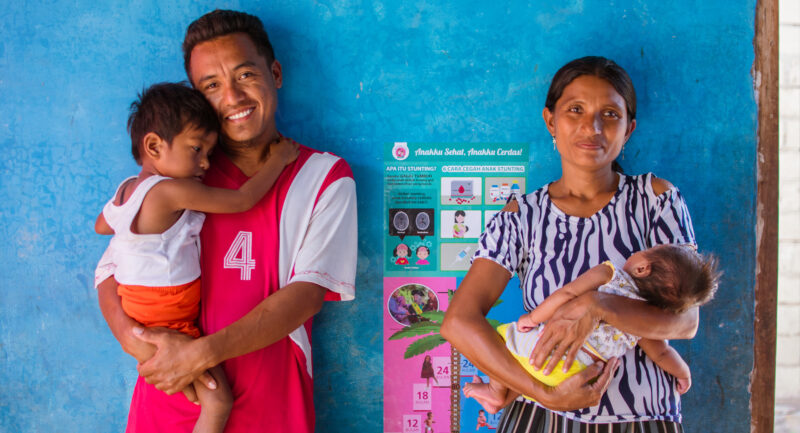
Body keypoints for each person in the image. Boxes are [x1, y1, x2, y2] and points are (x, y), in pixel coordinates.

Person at [95, 9, 357, 433]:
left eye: (245, 75)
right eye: (211, 86)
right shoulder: (181, 179)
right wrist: (130, 336)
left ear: (275, 73)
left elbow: (306, 295)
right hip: (170, 395)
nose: (232, 97)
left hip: (274, 405)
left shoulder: (323, 176)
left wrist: (199, 355)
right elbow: (110, 269)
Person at [442, 56, 699, 431]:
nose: (592, 126)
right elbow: (458, 322)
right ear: (551, 121)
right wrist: (542, 392)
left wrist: (598, 305)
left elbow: (687, 321)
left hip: (642, 418)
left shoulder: (655, 199)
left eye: (610, 114)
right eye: (575, 109)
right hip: (542, 417)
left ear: (629, 130)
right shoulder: (521, 217)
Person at [94, 82, 298, 432]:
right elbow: (243, 200)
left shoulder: (126, 190)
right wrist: (279, 159)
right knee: (218, 401)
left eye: (209, 151)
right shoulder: (171, 191)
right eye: (197, 149)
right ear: (155, 146)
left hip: (138, 311)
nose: (206, 162)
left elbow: (102, 226)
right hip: (168, 318)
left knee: (191, 392)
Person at [462, 244, 720, 413]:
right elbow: (661, 352)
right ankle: (503, 396)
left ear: (642, 268)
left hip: (548, 353)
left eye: (649, 249)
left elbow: (568, 292)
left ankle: (496, 391)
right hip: (578, 378)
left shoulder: (611, 275)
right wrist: (684, 372)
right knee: (526, 362)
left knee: (500, 338)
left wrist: (532, 317)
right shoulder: (641, 321)